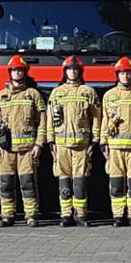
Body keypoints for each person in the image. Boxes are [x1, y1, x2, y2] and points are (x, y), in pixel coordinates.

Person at [0, 54, 46, 228]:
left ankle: (31, 215)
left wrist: (39, 144)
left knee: (28, 183)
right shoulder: (1, 96)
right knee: (6, 183)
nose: (17, 73)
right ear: (10, 72)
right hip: (6, 150)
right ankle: (7, 215)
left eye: (20, 70)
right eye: (14, 70)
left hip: (27, 150)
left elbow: (42, 122)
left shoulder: (33, 95)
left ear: (25, 72)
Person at [43, 56, 98, 227]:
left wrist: (94, 141)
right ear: (64, 72)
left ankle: (81, 214)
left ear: (80, 72)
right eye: (69, 69)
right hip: (61, 145)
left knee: (80, 181)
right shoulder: (56, 93)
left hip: (82, 146)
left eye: (75, 69)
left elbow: (96, 119)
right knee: (64, 180)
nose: (72, 72)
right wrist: (50, 141)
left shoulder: (88, 92)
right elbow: (50, 119)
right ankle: (66, 214)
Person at [99, 57, 131, 227]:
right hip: (115, 148)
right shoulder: (109, 96)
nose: (125, 76)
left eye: (128, 73)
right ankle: (118, 216)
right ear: (117, 75)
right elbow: (104, 121)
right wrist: (103, 143)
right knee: (116, 183)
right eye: (122, 73)